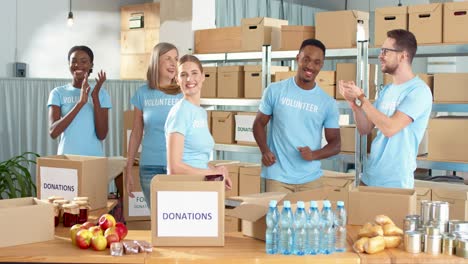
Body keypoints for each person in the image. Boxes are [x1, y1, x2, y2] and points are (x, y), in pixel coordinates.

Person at [338, 29, 432, 189]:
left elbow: (390, 128)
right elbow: (364, 128)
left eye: (386, 51)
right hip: (370, 176)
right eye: (381, 51)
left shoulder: (419, 91)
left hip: (396, 182)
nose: (380, 56)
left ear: (403, 56)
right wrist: (354, 104)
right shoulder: (386, 91)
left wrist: (362, 98)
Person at [252, 39, 341, 193]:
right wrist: (265, 150)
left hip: (311, 179)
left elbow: (336, 144)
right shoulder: (275, 90)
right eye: (306, 59)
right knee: (275, 218)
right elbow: (258, 123)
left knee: (311, 218)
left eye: (316, 62)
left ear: (321, 65)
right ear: (297, 58)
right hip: (276, 176)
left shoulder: (328, 103)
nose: (310, 66)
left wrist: (313, 154)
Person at [125, 43, 183, 208]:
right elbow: (136, 133)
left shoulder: (183, 93)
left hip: (178, 167)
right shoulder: (142, 93)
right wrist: (129, 169)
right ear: (156, 62)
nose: (173, 63)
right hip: (149, 168)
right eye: (168, 59)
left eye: (176, 59)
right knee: (158, 222)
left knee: (176, 219)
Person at [165, 54, 232, 189]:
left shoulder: (200, 112)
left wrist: (218, 170)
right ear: (177, 80)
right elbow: (175, 168)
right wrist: (212, 173)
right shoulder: (180, 112)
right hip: (184, 190)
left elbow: (197, 159)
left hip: (199, 187)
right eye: (183, 75)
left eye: (194, 73)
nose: (189, 79)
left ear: (203, 77)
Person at [48, 45, 111, 156]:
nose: (78, 65)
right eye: (74, 61)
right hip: (66, 158)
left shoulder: (102, 94)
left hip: (93, 158)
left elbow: (102, 135)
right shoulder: (57, 93)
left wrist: (95, 96)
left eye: (84, 61)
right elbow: (53, 132)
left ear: (91, 65)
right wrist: (80, 103)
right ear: (69, 64)